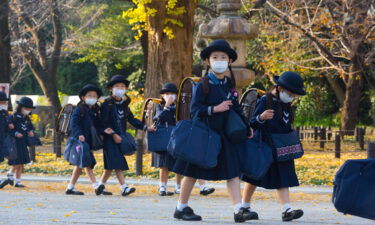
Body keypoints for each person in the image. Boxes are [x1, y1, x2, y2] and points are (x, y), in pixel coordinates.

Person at [171, 40, 257, 222]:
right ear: (208, 61)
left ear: (229, 61)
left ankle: (238, 209)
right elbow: (195, 110)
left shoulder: (228, 84)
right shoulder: (202, 84)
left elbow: (236, 108)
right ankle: (181, 207)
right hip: (204, 135)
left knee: (233, 172)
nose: (219, 60)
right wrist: (214, 109)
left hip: (224, 135)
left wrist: (246, 125)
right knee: (192, 172)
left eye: (223, 57)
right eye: (215, 57)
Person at [241, 71, 306, 222]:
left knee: (283, 177)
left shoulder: (286, 104)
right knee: (254, 176)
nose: (292, 96)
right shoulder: (265, 100)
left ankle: (286, 209)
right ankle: (244, 205)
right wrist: (261, 117)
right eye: (290, 93)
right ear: (279, 88)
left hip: (282, 148)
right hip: (264, 145)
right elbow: (251, 122)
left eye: (294, 94)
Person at [97, 75, 154, 196]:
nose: (120, 88)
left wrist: (146, 128)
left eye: (122, 86)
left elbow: (132, 120)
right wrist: (113, 134)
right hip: (110, 139)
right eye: (117, 86)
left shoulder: (124, 104)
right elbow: (103, 123)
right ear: (111, 89)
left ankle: (100, 186)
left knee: (110, 165)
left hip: (120, 137)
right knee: (118, 162)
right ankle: (124, 187)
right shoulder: (107, 104)